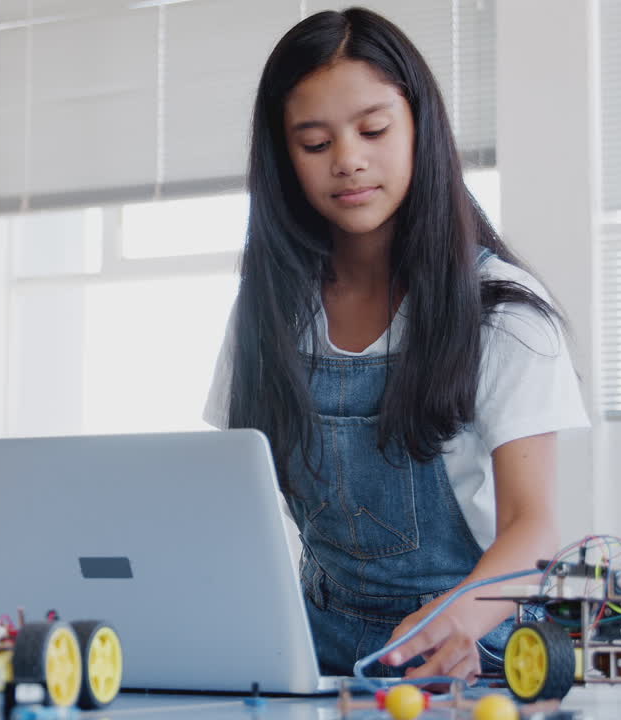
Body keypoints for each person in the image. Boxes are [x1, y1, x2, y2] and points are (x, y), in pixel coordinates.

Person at [202, 7, 589, 683]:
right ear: (283, 158)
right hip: (315, 650)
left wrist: (457, 620)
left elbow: (534, 530)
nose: (348, 160)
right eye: (315, 144)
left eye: (373, 129)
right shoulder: (268, 314)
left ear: (420, 127)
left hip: (477, 651)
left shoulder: (501, 313)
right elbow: (232, 502)